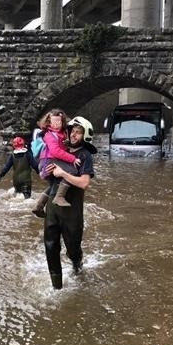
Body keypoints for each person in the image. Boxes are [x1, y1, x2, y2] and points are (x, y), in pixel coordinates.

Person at [43, 116, 96, 290]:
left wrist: (62, 174)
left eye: (78, 132)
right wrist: (47, 171)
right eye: (72, 131)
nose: (73, 135)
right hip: (52, 206)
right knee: (50, 246)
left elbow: (84, 183)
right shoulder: (60, 148)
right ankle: (56, 286)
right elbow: (46, 171)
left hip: (72, 210)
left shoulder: (85, 155)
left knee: (72, 249)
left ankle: (77, 265)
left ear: (85, 135)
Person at [32, 109, 81, 216]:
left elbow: (61, 147)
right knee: (72, 171)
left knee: (55, 184)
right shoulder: (49, 135)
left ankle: (39, 206)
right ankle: (59, 197)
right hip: (49, 161)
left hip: (48, 161)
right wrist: (72, 158)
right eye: (54, 122)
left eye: (59, 122)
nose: (56, 124)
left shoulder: (60, 134)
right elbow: (55, 151)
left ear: (63, 122)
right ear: (48, 123)